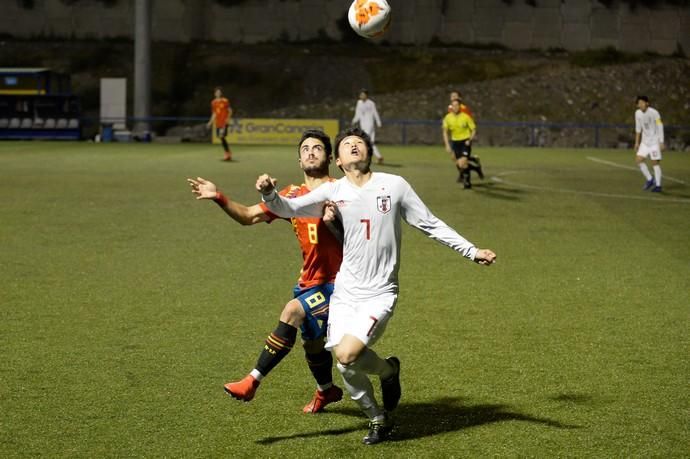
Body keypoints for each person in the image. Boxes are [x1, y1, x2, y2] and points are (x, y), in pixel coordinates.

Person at [256, 127, 497, 444]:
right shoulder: (334, 191)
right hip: (345, 293)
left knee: (348, 353)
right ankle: (378, 417)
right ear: (338, 161)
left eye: (359, 143)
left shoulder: (394, 186)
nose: (354, 145)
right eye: (347, 144)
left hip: (380, 294)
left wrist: (471, 250)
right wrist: (268, 193)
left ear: (368, 153)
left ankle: (386, 372)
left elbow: (430, 223)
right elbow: (288, 209)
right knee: (345, 364)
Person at [187, 129, 344, 413]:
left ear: (330, 157)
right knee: (312, 345)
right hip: (309, 282)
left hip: (340, 282)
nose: (310, 151)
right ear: (299, 160)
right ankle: (326, 390)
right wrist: (218, 196)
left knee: (292, 312)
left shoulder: (341, 190)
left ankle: (251, 382)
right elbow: (248, 216)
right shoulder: (290, 196)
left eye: (317, 148)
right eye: (305, 148)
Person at [447, 90, 483, 181]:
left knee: (462, 161)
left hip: (464, 138)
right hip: (455, 138)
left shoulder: (463, 109)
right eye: (452, 96)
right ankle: (474, 164)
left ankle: (463, 175)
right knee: (454, 158)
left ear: (459, 98)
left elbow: (468, 121)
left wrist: (471, 135)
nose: (453, 98)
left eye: (455, 96)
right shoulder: (450, 108)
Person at [443, 99, 479, 189]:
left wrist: (470, 139)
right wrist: (447, 144)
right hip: (455, 142)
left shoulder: (465, 117)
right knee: (459, 164)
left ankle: (467, 182)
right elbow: (445, 132)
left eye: (457, 105)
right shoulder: (448, 117)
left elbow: (474, 129)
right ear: (451, 107)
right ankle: (474, 168)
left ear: (460, 106)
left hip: (465, 141)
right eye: (454, 105)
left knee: (463, 162)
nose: (455, 107)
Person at [634, 95, 665, 192]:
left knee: (655, 163)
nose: (640, 105)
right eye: (639, 103)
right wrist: (637, 142)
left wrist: (661, 142)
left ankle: (658, 186)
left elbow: (660, 126)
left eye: (642, 102)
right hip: (645, 142)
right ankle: (650, 179)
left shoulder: (654, 112)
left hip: (654, 142)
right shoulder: (637, 113)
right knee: (638, 160)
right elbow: (638, 128)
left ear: (647, 103)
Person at [352, 89, 384, 165]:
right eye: (360, 95)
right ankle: (379, 157)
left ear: (366, 95)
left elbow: (375, 113)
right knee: (370, 142)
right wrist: (354, 120)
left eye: (363, 94)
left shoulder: (371, 103)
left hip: (370, 125)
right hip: (363, 125)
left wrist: (378, 122)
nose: (361, 96)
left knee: (364, 141)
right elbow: (357, 113)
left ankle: (363, 158)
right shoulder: (359, 103)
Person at [206, 87, 233, 161]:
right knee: (220, 137)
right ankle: (228, 152)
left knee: (221, 136)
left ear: (221, 93)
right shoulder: (213, 102)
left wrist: (227, 119)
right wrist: (210, 122)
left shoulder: (225, 101)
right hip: (218, 123)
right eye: (216, 92)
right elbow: (214, 113)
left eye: (219, 92)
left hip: (224, 123)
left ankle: (228, 154)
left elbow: (230, 111)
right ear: (215, 94)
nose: (218, 93)